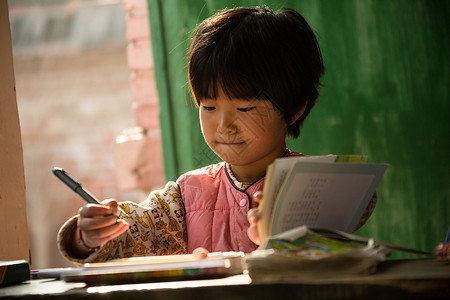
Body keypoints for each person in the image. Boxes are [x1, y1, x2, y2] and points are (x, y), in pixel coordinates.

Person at [57, 6, 376, 264]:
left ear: (293, 109)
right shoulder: (183, 198)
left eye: (246, 108)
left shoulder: (316, 181)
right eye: (209, 107)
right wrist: (87, 235)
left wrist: (281, 231)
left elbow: (359, 204)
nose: (224, 125)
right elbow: (134, 232)